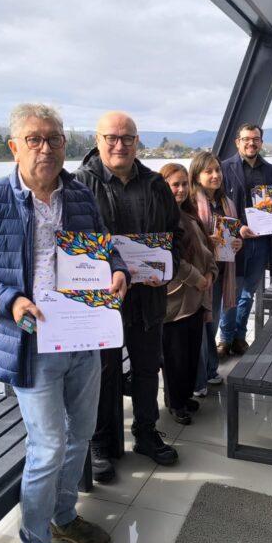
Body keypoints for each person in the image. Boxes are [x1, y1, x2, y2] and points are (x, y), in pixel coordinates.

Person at [0, 103, 128, 543]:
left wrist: (118, 273)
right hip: (29, 344)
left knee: (80, 433)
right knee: (47, 445)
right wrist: (9, 300)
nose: (47, 148)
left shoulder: (81, 196)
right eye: (35, 139)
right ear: (14, 147)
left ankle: (64, 516)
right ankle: (34, 542)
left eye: (56, 139)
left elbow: (106, 251)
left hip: (82, 337)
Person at [73, 111, 183, 483]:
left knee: (147, 367)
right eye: (111, 138)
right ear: (97, 140)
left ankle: (146, 433)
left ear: (138, 142)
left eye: (127, 138)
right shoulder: (78, 185)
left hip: (148, 297)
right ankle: (101, 442)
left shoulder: (155, 185)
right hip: (102, 300)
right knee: (101, 372)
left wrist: (165, 270)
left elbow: (175, 234)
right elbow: (70, 245)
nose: (119, 145)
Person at [159, 163, 218, 424]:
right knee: (175, 357)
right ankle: (175, 404)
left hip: (196, 298)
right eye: (175, 184)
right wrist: (198, 278)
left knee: (191, 352)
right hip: (176, 300)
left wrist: (211, 273)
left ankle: (184, 398)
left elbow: (206, 251)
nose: (181, 189)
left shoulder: (190, 215)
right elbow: (168, 259)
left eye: (184, 183)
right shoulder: (161, 216)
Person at [219, 123, 272, 358]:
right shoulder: (224, 168)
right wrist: (238, 228)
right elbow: (218, 204)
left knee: (249, 292)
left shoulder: (271, 170)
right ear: (237, 142)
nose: (251, 143)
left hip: (262, 241)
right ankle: (224, 338)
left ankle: (239, 336)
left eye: (255, 139)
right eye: (246, 139)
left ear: (261, 142)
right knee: (231, 291)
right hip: (235, 240)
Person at [190, 151, 246, 392]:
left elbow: (232, 235)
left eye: (217, 170)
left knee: (210, 326)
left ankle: (210, 369)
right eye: (208, 171)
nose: (215, 175)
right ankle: (199, 378)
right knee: (200, 327)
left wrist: (237, 242)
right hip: (200, 275)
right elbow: (183, 239)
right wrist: (205, 240)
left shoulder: (227, 203)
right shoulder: (191, 203)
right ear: (197, 174)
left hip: (222, 271)